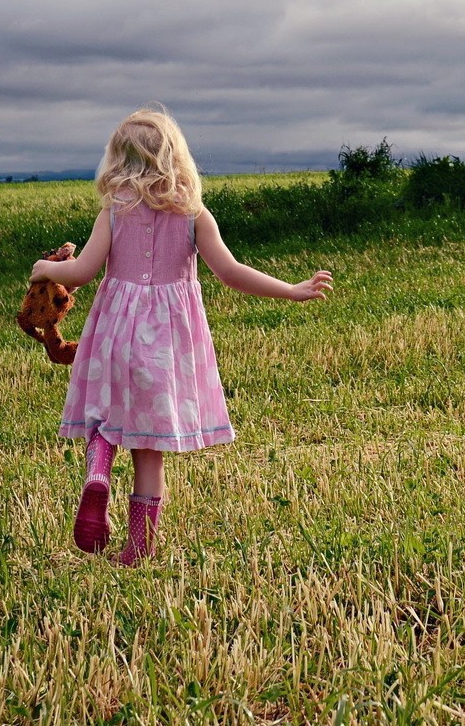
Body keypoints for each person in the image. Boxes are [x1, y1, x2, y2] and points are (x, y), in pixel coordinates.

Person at [31, 106, 333, 564]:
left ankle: (97, 473)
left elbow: (84, 270)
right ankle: (138, 547)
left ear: (117, 162)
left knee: (103, 414)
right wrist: (290, 290)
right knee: (150, 451)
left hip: (117, 333)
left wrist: (45, 268)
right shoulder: (194, 215)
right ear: (175, 157)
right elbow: (230, 272)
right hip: (167, 347)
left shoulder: (114, 213)